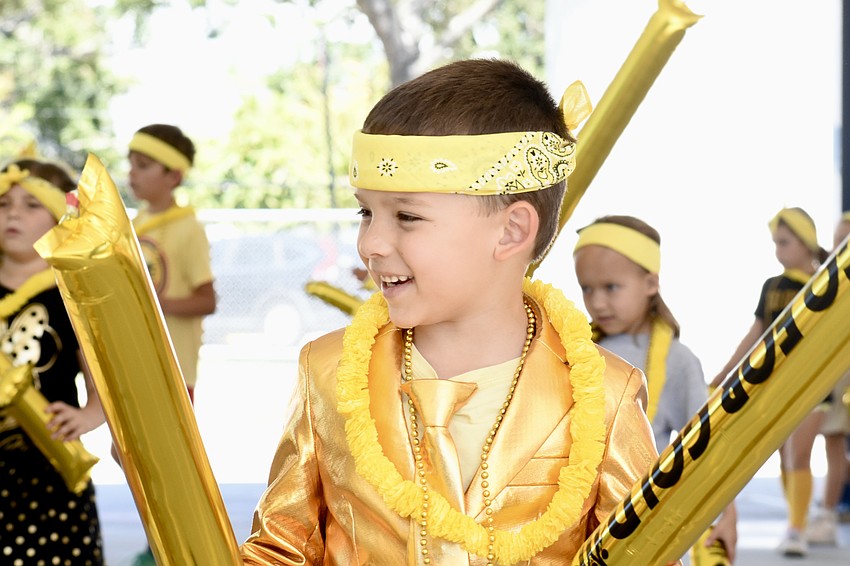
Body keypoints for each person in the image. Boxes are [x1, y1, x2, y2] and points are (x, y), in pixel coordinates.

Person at [239, 59, 665, 565]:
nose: (371, 243)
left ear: (511, 231)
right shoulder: (328, 373)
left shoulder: (605, 395)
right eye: (366, 212)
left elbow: (646, 555)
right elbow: (281, 548)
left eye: (407, 216)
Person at [572, 214, 738, 563]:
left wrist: (728, 515)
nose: (597, 302)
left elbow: (706, 446)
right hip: (575, 523)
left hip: (645, 523)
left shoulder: (678, 361)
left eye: (611, 287)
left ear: (650, 283)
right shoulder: (575, 350)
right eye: (587, 288)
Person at [0, 159, 106, 564]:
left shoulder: (73, 294)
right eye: (4, 204)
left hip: (50, 469)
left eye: (31, 205)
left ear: (61, 218)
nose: (13, 214)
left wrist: (89, 414)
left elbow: (103, 384)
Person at [710, 207, 830, 558]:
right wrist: (725, 372)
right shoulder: (772, 286)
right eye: (775, 242)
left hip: (813, 381)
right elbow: (756, 333)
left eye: (784, 242)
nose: (778, 250)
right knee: (785, 457)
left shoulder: (826, 286)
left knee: (798, 455)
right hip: (775, 382)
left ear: (806, 242)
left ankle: (796, 529)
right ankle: (797, 522)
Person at [125, 124, 216, 565]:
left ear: (174, 176)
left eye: (143, 165)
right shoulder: (135, 224)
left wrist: (152, 300)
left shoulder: (187, 228)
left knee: (165, 462)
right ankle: (159, 541)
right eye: (131, 164)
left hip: (173, 366)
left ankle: (177, 549)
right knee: (130, 455)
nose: (132, 174)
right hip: (136, 360)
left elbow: (207, 299)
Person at [806, 211, 850, 545]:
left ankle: (827, 515)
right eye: (838, 240)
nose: (840, 246)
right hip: (834, 374)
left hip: (841, 374)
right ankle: (826, 514)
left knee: (833, 445)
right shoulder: (829, 278)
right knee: (832, 444)